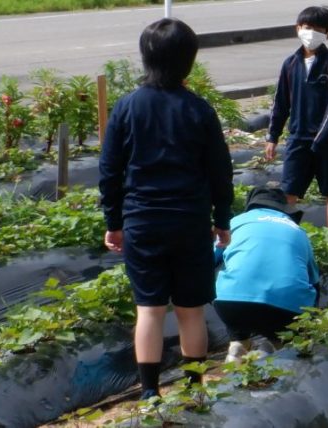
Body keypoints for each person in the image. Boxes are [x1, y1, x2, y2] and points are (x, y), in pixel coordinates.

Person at [99, 18, 234, 400]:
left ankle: (149, 393)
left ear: (146, 57)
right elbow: (220, 170)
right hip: (190, 221)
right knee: (191, 310)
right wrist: (222, 219)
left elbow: (109, 170)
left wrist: (114, 221)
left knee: (149, 309)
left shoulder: (127, 107)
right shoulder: (199, 110)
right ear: (189, 59)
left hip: (142, 221)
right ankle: (194, 389)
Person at [265, 5, 328, 227]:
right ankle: (288, 233)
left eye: (318, 29)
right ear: (298, 28)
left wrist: (323, 135)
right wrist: (272, 136)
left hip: (327, 141)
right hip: (298, 138)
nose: (311, 33)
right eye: (307, 27)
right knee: (289, 191)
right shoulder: (290, 64)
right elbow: (281, 102)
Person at [213, 186, 319, 362]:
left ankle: (238, 343)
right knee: (305, 293)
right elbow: (314, 281)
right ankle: (276, 344)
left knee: (225, 270)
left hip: (230, 307)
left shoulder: (234, 222)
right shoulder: (297, 230)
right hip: (283, 311)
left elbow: (208, 260)